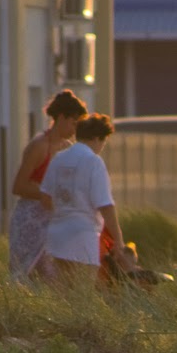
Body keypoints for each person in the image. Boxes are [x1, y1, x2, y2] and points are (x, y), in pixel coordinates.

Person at [9, 89, 86, 283]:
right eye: (73, 122)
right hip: (31, 219)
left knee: (56, 276)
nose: (75, 129)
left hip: (55, 219)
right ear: (61, 118)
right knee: (28, 275)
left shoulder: (68, 148)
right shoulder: (39, 146)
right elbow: (19, 186)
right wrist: (49, 193)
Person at [39, 112, 124, 286]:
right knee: (82, 291)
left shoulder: (59, 158)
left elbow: (45, 196)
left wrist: (63, 211)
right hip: (82, 234)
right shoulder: (93, 161)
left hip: (57, 233)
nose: (102, 146)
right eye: (103, 142)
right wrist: (118, 239)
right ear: (97, 138)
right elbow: (105, 205)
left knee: (61, 290)